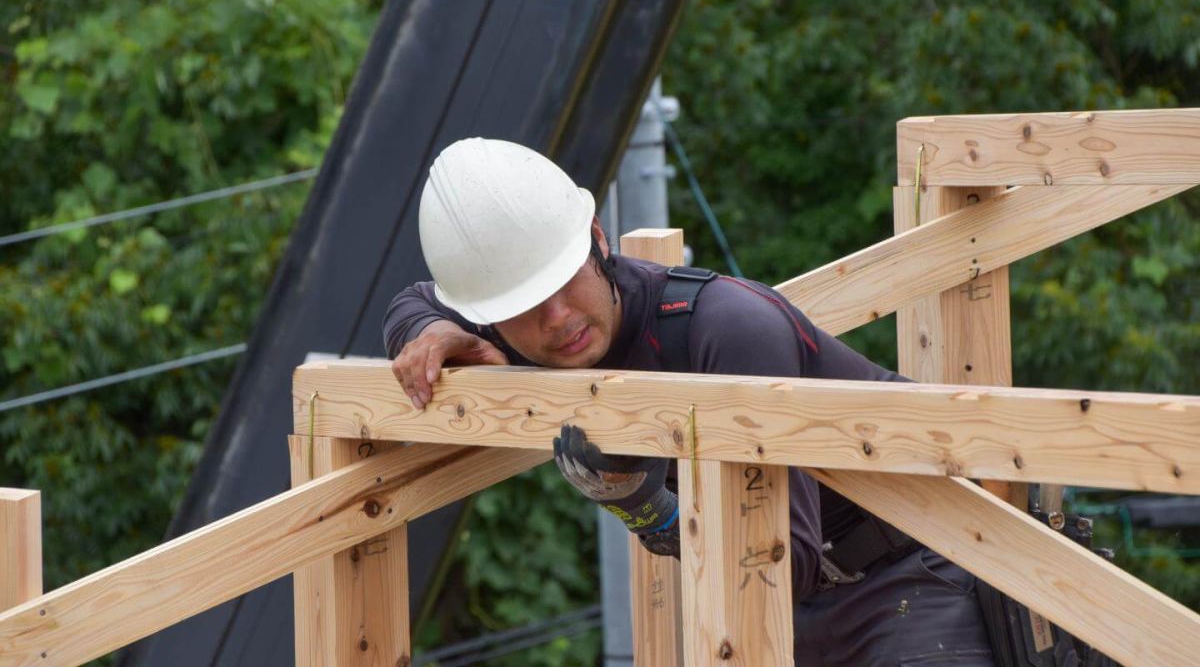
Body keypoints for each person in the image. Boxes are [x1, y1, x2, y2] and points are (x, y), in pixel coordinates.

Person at [384, 137, 994, 666]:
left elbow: (784, 558)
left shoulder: (727, 329)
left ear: (597, 241)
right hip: (795, 609)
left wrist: (649, 510)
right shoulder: (515, 313)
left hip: (914, 569)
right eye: (522, 309)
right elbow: (413, 301)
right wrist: (426, 335)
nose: (558, 319)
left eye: (565, 282)